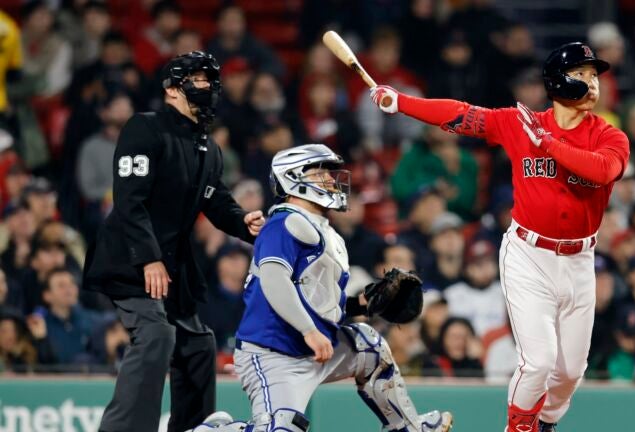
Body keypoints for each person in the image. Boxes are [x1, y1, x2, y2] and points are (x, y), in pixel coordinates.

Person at [371, 42, 630, 432]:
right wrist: (402, 102)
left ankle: (545, 423)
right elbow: (462, 115)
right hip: (529, 253)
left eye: (595, 75)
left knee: (570, 373)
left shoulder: (607, 135)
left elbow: (604, 171)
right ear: (558, 80)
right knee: (538, 361)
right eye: (582, 74)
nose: (592, 83)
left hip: (579, 261)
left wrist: (547, 143)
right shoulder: (519, 123)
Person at [188, 144, 453, 432]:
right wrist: (308, 330)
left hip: (313, 348)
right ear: (294, 178)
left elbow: (319, 302)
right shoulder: (284, 222)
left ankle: (409, 428)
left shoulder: (323, 230)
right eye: (320, 173)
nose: (330, 179)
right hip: (273, 353)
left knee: (369, 346)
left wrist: (359, 304)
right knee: (282, 429)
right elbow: (275, 280)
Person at [83, 51, 265, 432]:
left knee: (198, 346)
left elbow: (216, 200)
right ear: (171, 89)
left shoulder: (208, 148)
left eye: (210, 79)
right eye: (197, 78)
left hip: (172, 265)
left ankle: (195, 429)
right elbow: (129, 200)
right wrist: (148, 258)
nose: (208, 86)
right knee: (155, 335)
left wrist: (243, 222)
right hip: (131, 259)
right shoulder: (144, 129)